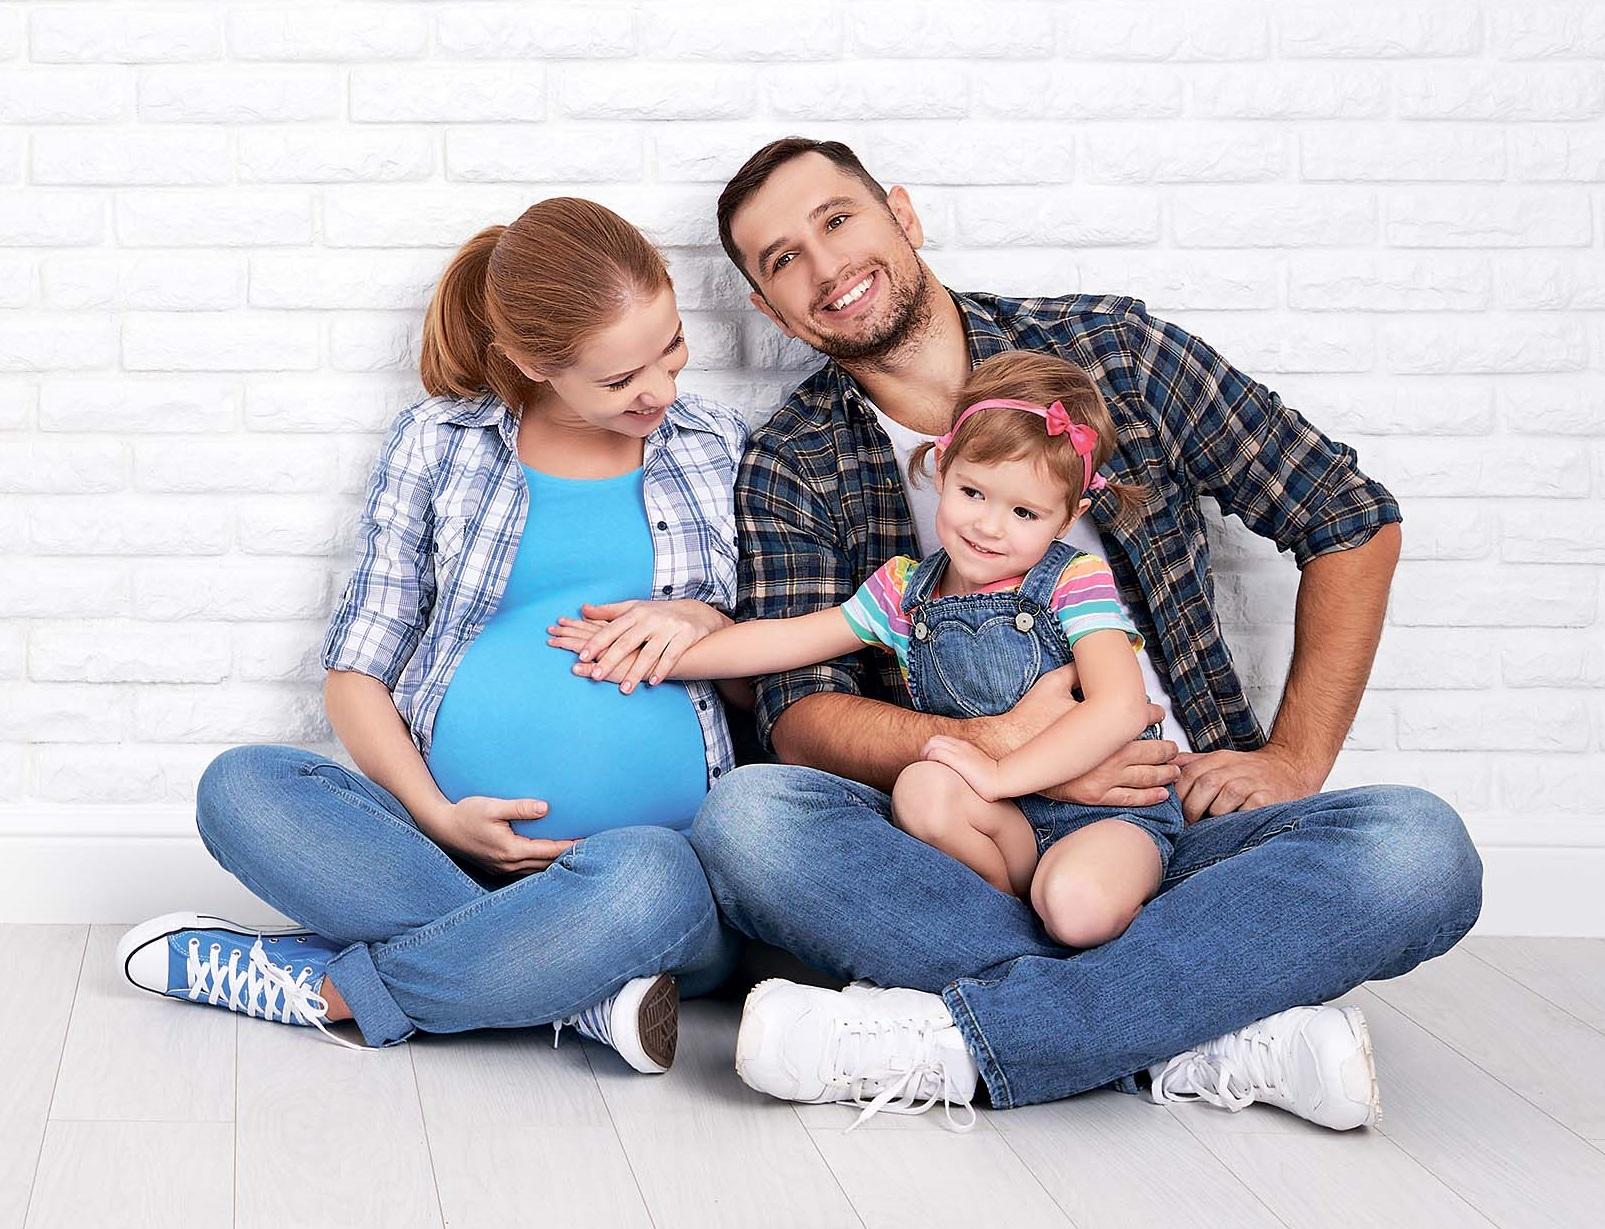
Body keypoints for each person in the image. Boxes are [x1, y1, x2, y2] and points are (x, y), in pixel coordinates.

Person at [683, 137, 1484, 1131]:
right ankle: (1199, 1027)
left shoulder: (1113, 353)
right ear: (768, 308)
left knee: (1419, 850)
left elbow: (1345, 513)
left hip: (1175, 820)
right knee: (749, 820)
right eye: (783, 259)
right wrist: (999, 748)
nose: (825, 264)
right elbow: (800, 715)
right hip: (974, 848)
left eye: (837, 219)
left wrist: (1292, 759)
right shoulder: (793, 460)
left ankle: (960, 1039)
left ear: (903, 214)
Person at [114, 198, 749, 1073]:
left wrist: (705, 622)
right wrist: (438, 816)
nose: (662, 391)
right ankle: (572, 990)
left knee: (652, 877)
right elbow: (356, 672)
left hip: (646, 886)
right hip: (437, 854)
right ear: (532, 362)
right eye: (618, 380)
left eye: (671, 347)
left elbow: (762, 691)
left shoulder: (716, 445)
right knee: (241, 786)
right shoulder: (439, 443)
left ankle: (340, 992)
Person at [556, 350, 1182, 953]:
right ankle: (1006, 947)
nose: (989, 526)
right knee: (921, 788)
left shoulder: (1074, 582)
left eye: (1024, 512)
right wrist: (656, 653)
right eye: (973, 493)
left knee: (1075, 907)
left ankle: (1029, 954)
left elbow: (1119, 707)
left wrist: (1002, 773)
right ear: (942, 466)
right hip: (998, 821)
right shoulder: (905, 589)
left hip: (1106, 813)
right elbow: (786, 640)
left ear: (1069, 517)